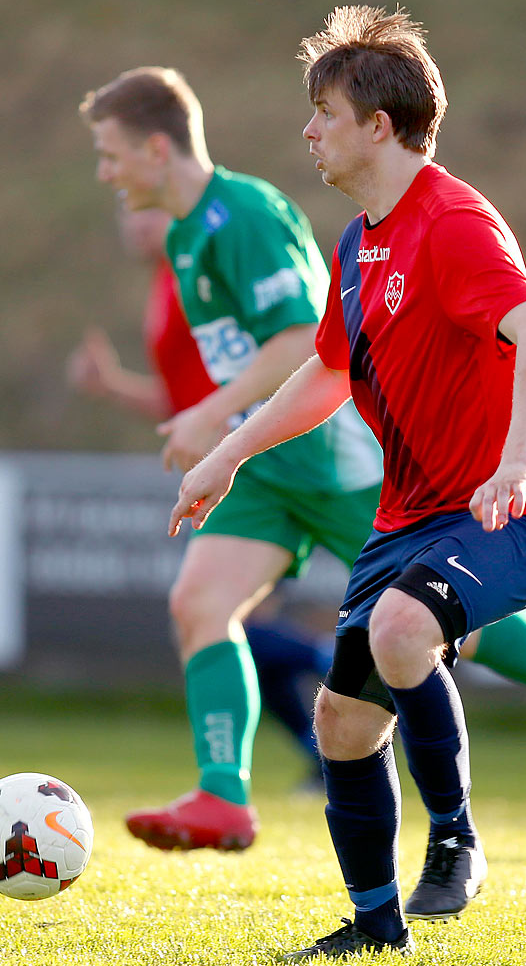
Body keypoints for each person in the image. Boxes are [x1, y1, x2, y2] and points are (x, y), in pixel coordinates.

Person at [170, 5, 526, 958]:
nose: (308, 131)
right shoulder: (359, 243)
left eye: (323, 111)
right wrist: (225, 455)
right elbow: (324, 373)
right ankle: (373, 928)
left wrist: (516, 465)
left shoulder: (453, 224)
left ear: (378, 126)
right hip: (412, 519)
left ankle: (455, 839)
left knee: (402, 630)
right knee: (341, 722)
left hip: (523, 512)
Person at [81, 67, 389, 852]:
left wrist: (211, 417)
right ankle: (223, 798)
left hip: (331, 452)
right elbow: (241, 364)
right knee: (196, 605)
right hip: (262, 463)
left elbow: (302, 342)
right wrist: (214, 426)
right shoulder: (184, 236)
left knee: (455, 620)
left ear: (157, 148)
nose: (103, 173)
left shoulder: (242, 213)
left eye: (110, 154)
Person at [68, 204, 333, 786]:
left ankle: (338, 670)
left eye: (148, 210)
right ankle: (318, 758)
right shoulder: (169, 284)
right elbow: (183, 400)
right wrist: (113, 388)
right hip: (235, 465)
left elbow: (275, 361)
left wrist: (227, 438)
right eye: (127, 213)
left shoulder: (201, 274)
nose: (135, 222)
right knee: (235, 633)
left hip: (266, 468)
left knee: (232, 622)